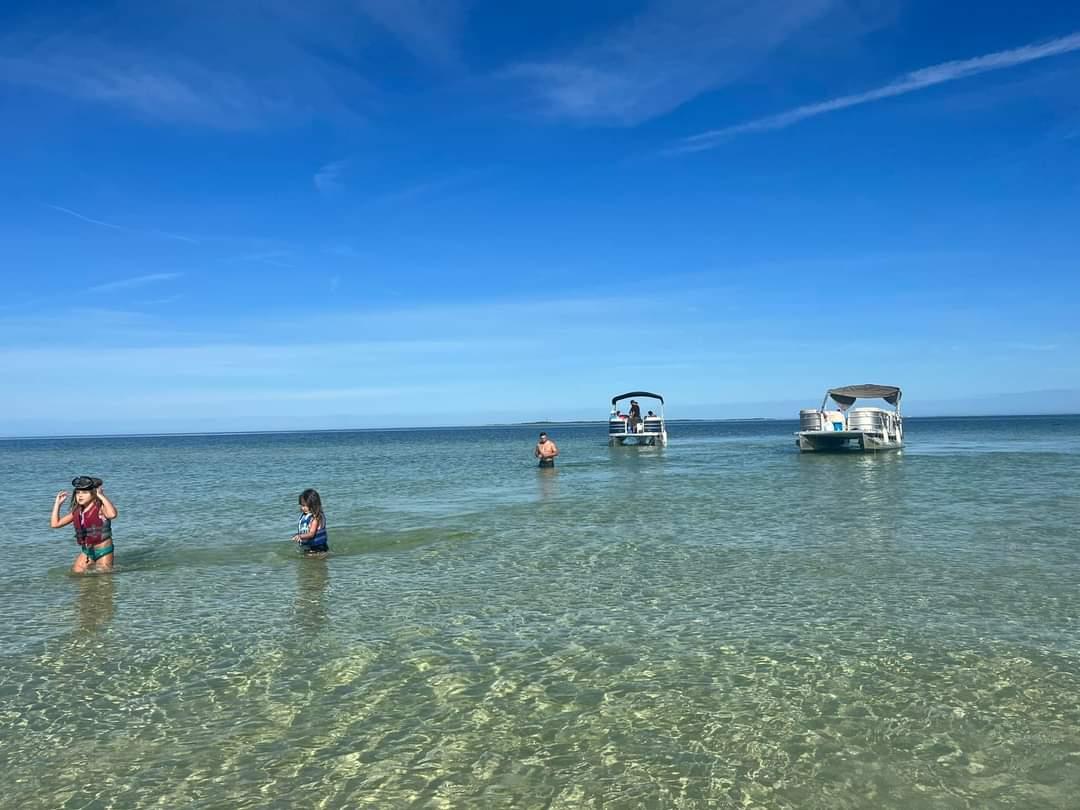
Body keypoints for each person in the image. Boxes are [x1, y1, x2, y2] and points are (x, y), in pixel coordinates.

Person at [50, 476, 118, 573]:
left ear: (94, 494)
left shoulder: (100, 508)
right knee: (77, 574)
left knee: (104, 580)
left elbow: (113, 514)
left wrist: (102, 496)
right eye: (78, 492)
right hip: (87, 551)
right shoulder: (77, 512)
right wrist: (57, 504)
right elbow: (55, 524)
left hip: (104, 550)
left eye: (85, 493)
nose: (80, 496)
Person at [292, 489, 329, 555]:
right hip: (310, 547)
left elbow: (311, 534)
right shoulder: (307, 516)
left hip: (318, 549)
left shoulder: (315, 518)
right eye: (301, 505)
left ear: (312, 504)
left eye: (304, 505)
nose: (302, 508)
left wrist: (300, 536)